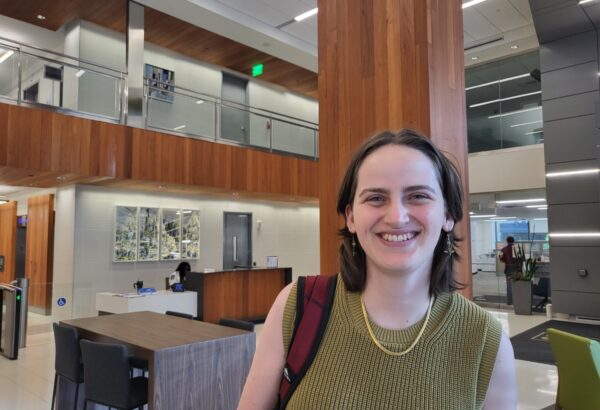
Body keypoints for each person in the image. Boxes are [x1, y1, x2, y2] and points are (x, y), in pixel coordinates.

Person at [237, 129, 516, 409]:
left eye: (418, 196)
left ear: (447, 214)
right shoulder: (297, 307)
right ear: (351, 217)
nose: (396, 217)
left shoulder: (486, 341)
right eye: (376, 198)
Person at [499, 236, 518, 305]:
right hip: (517, 269)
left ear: (507, 241)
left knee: (509, 285)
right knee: (517, 285)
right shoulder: (517, 249)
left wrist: (505, 261)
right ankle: (517, 300)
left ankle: (509, 301)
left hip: (508, 269)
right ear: (513, 241)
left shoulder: (503, 249)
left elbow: (500, 259)